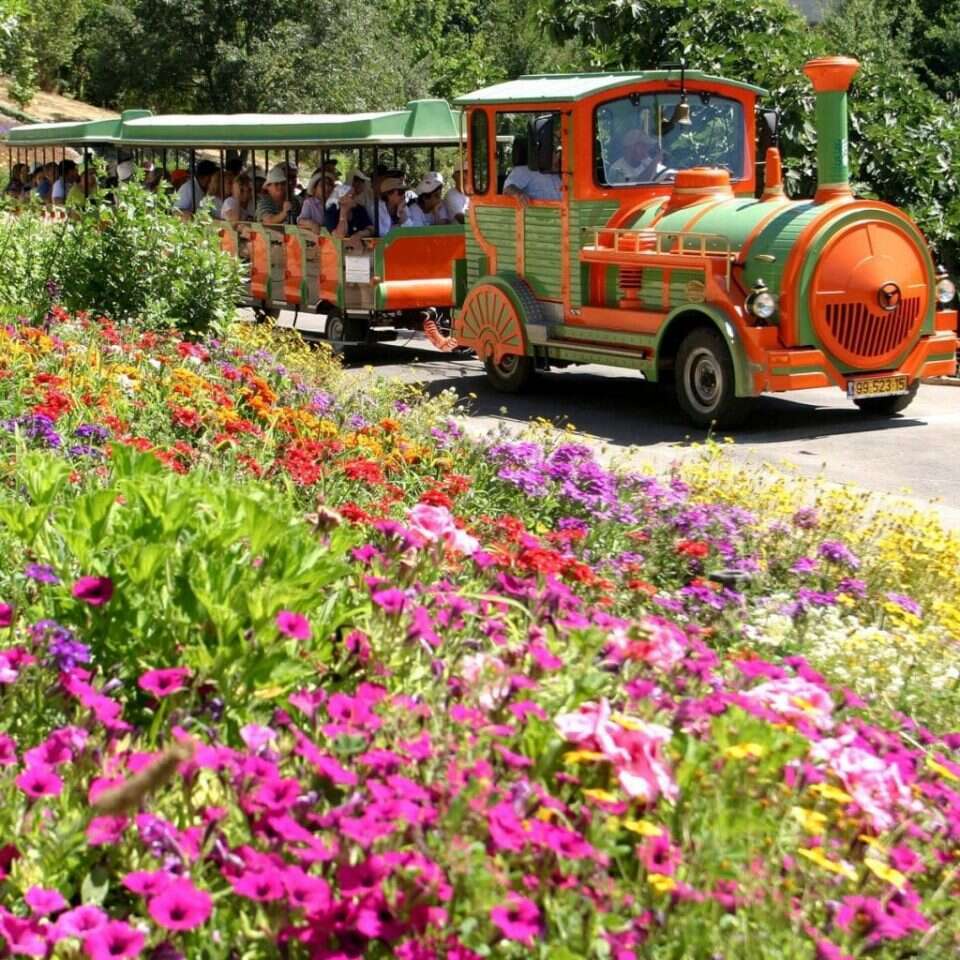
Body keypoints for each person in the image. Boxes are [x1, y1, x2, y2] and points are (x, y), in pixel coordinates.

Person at [323, 170, 373, 248]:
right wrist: (343, 211)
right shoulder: (331, 211)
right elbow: (339, 235)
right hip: (338, 253)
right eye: (350, 196)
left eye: (354, 195)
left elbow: (370, 228)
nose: (353, 198)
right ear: (341, 198)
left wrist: (360, 234)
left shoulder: (359, 208)